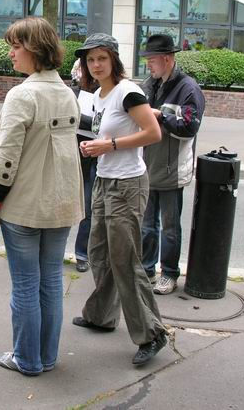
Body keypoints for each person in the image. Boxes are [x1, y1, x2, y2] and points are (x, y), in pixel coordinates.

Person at [0, 17, 84, 376]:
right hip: (60, 203)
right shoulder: (67, 93)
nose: (11, 53)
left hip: (23, 206)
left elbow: (5, 160)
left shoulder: (23, 95)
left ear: (34, 48)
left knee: (25, 285)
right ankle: (46, 357)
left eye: (16, 46)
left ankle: (26, 359)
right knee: (51, 281)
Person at [72, 33, 167, 366]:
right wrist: (94, 145)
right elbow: (109, 130)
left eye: (102, 58)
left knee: (125, 260)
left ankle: (152, 333)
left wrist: (108, 146)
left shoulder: (128, 91)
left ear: (114, 59)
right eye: (90, 60)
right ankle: (102, 315)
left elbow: (153, 133)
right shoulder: (99, 94)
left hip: (127, 185)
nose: (96, 65)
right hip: (104, 180)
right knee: (99, 253)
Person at [140, 34, 205, 295]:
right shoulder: (149, 85)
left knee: (169, 228)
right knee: (146, 226)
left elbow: (190, 127)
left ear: (167, 59)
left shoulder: (188, 88)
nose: (148, 64)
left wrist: (160, 115)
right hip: (147, 166)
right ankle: (146, 269)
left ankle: (168, 273)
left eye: (152, 59)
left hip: (172, 169)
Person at [70, 58, 97, 273]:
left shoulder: (104, 93)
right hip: (73, 154)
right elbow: (69, 118)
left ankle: (82, 253)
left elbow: (100, 124)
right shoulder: (73, 93)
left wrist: (82, 119)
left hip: (95, 155)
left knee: (88, 207)